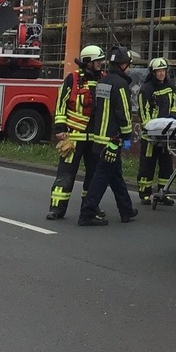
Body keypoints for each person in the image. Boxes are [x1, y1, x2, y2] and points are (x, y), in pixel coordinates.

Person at [76, 46, 137, 226]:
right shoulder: (121, 84)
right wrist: (127, 135)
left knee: (115, 174)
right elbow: (124, 112)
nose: (130, 68)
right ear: (123, 65)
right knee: (101, 176)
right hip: (112, 138)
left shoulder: (103, 82)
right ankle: (86, 213)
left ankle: (126, 210)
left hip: (99, 137)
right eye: (129, 65)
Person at [45, 45, 105, 221]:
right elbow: (61, 104)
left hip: (95, 138)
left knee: (93, 177)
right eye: (97, 61)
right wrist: (60, 129)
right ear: (88, 62)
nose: (101, 63)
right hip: (74, 137)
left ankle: (90, 208)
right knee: (65, 174)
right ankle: (56, 208)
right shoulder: (72, 79)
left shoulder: (104, 80)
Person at [136, 57, 176, 205]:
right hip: (151, 135)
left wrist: (172, 118)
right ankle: (145, 193)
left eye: (163, 71)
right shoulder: (146, 89)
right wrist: (150, 128)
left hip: (166, 132)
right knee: (147, 164)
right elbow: (143, 111)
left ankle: (163, 192)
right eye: (158, 71)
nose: (161, 74)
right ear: (153, 73)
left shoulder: (170, 86)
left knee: (166, 164)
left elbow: (174, 104)